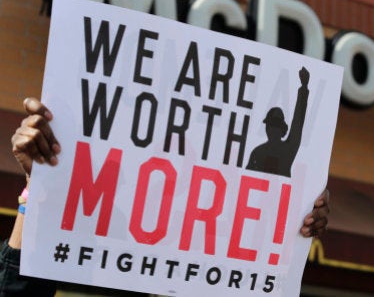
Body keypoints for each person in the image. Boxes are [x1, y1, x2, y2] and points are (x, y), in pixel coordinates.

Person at [1, 98, 331, 296]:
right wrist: (39, 184)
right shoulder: (108, 250)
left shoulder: (217, 261)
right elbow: (17, 289)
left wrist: (294, 218)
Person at [247, 67, 311, 177]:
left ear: (282, 129)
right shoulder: (257, 152)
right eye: (270, 125)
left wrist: (304, 88)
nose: (272, 129)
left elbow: (297, 122)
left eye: (275, 125)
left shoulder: (287, 149)